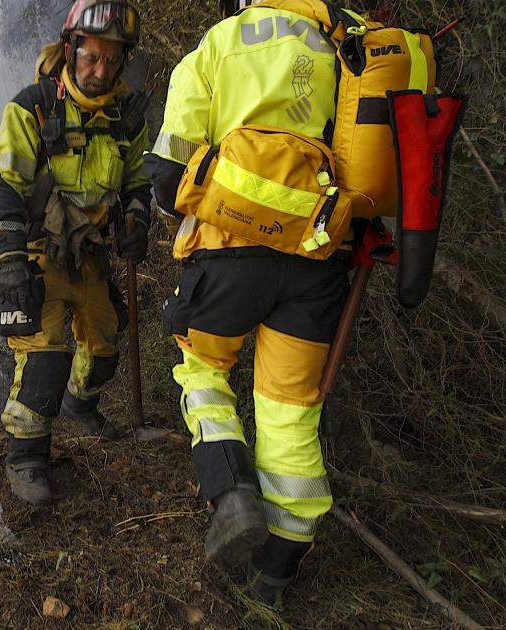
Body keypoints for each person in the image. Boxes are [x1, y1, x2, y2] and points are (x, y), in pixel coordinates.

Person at [146, 0, 380, 606]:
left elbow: (170, 179)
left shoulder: (217, 45)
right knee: (288, 412)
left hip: (227, 256)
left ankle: (230, 494)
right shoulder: (352, 44)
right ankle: (275, 572)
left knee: (202, 369)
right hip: (316, 264)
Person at [0, 0, 152, 506]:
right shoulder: (33, 108)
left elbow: (139, 180)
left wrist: (138, 220)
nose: (99, 71)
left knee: (104, 347)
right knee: (44, 359)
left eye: (111, 60)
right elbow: (2, 185)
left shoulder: (126, 119)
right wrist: (11, 259)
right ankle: (27, 457)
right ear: (70, 49)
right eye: (90, 58)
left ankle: (83, 406)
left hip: (91, 254)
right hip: (38, 252)